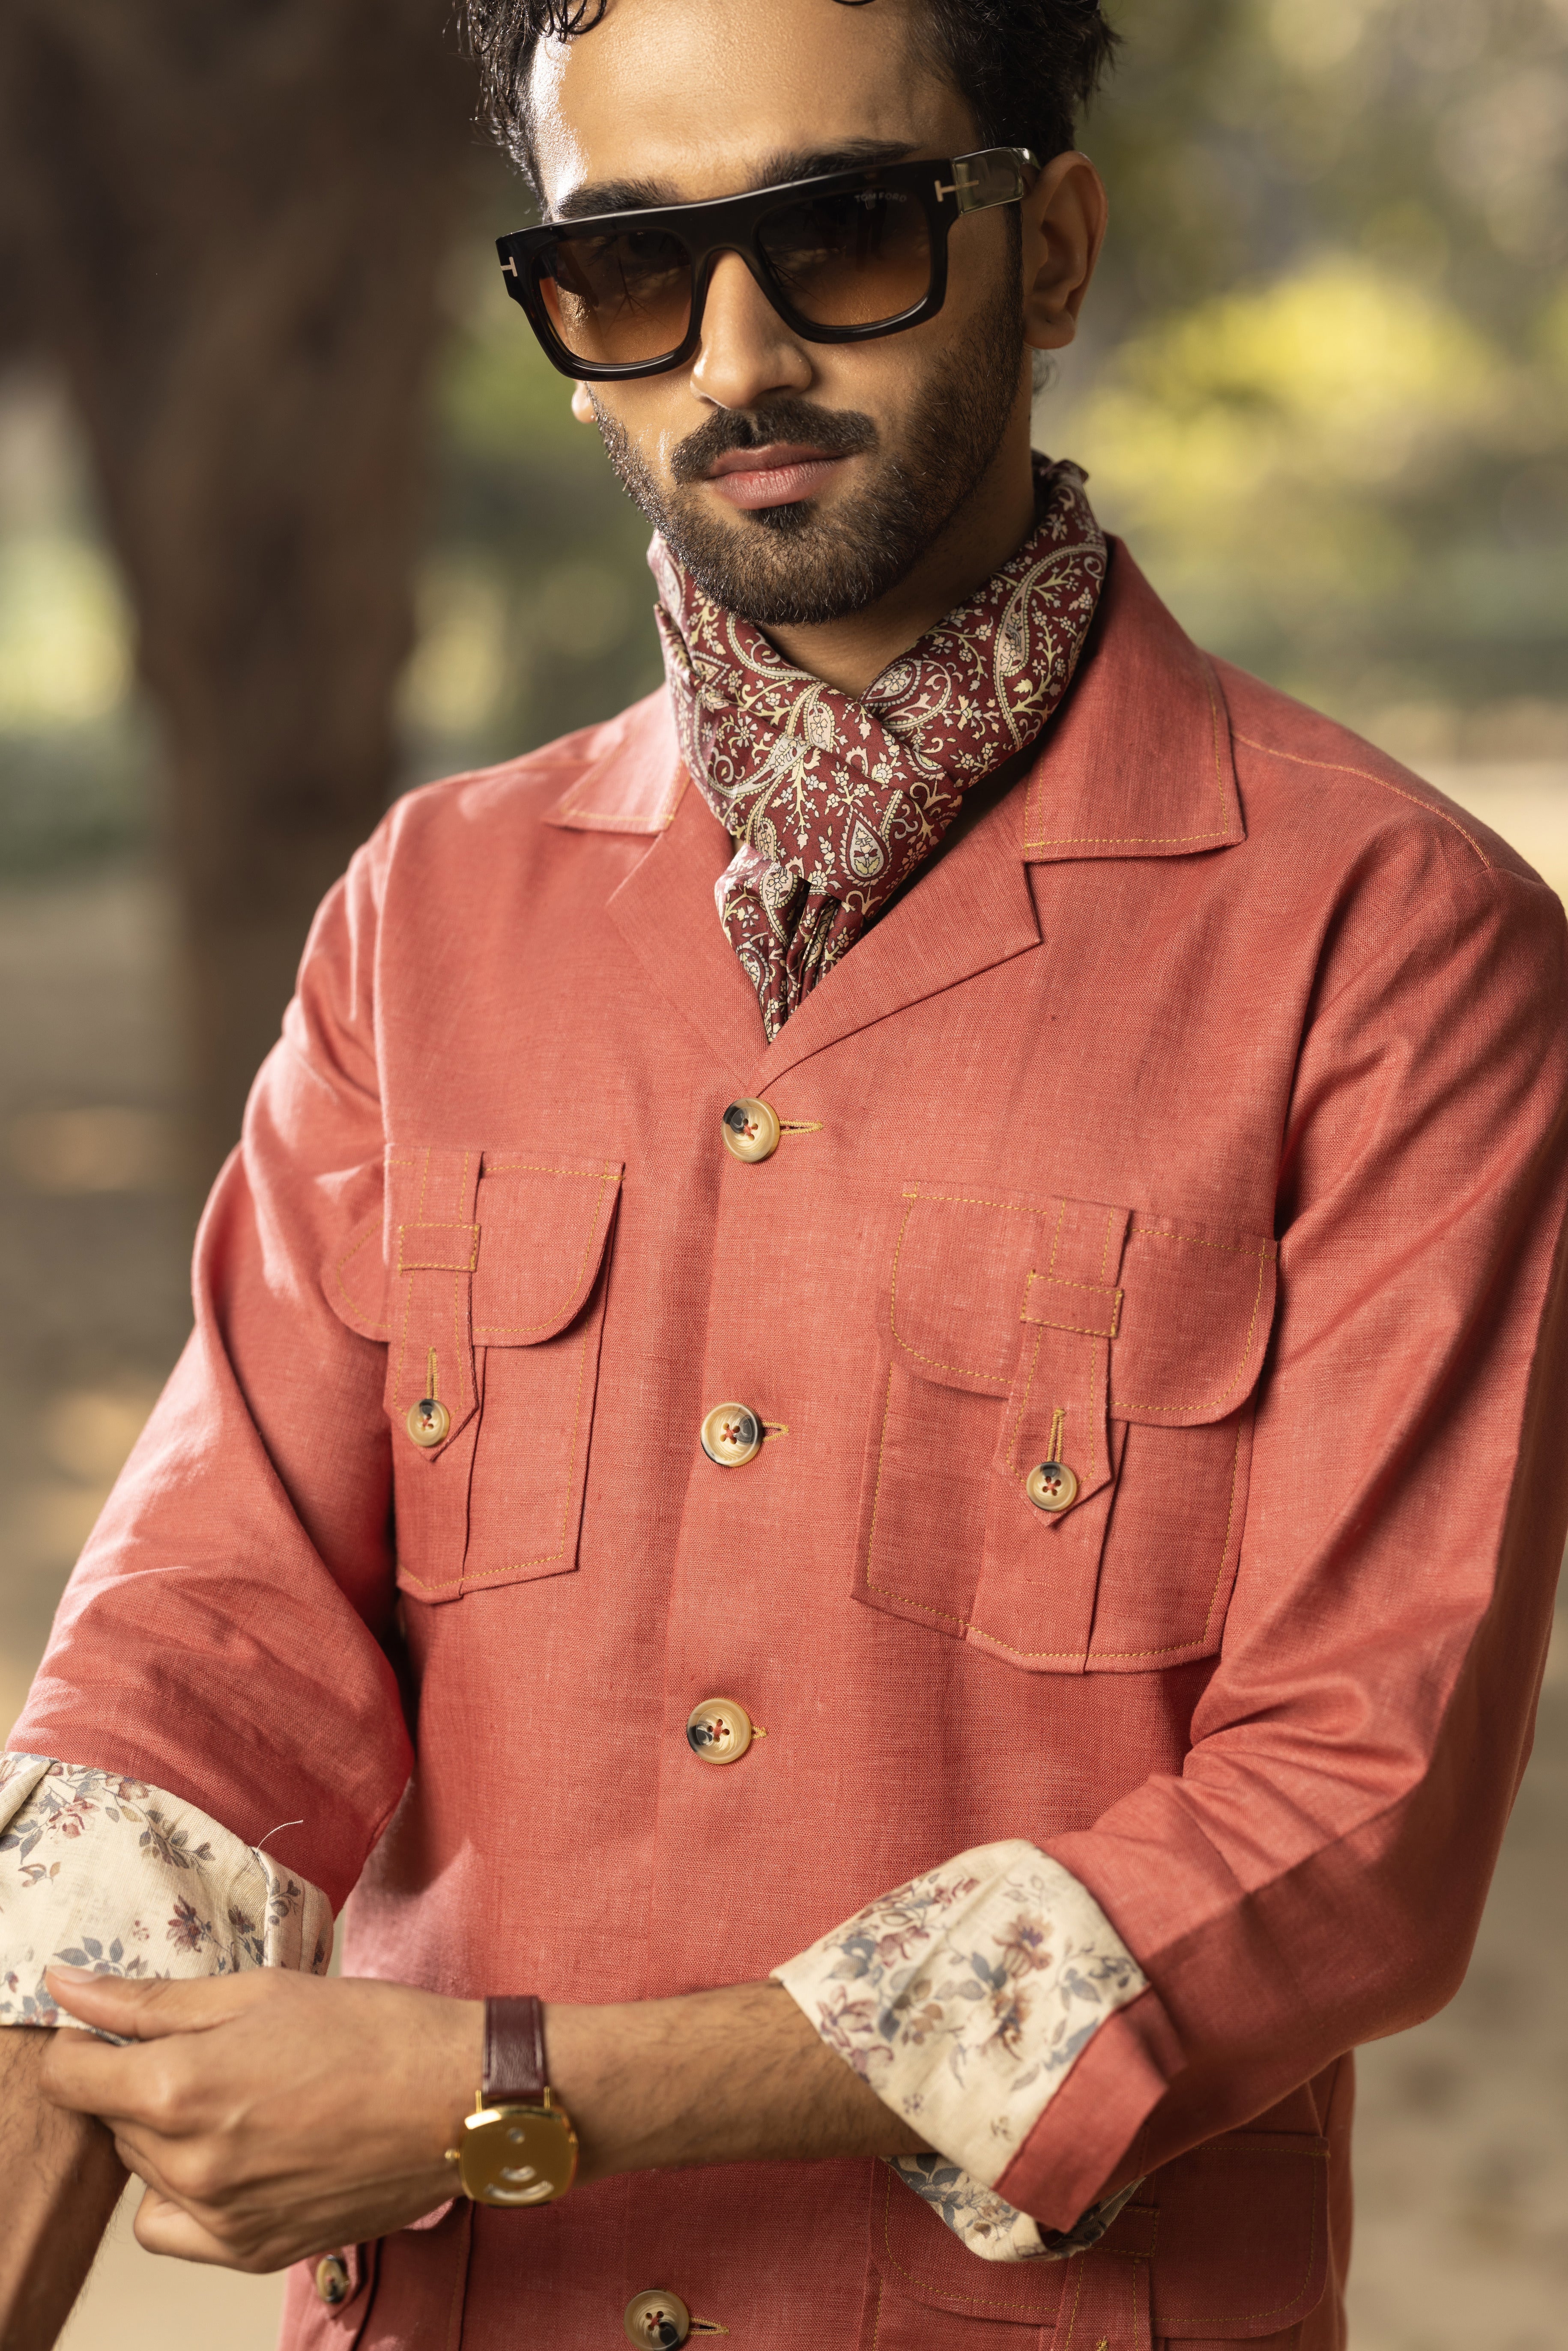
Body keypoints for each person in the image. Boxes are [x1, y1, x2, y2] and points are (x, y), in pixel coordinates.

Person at [3, 1, 1566, 2345]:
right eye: (633, 273)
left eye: (837, 233)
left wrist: (518, 2097)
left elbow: (1344, 1825)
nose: (736, 355)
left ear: (1049, 246)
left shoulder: (1394, 946)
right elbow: (195, 1673)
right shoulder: (427, 918)